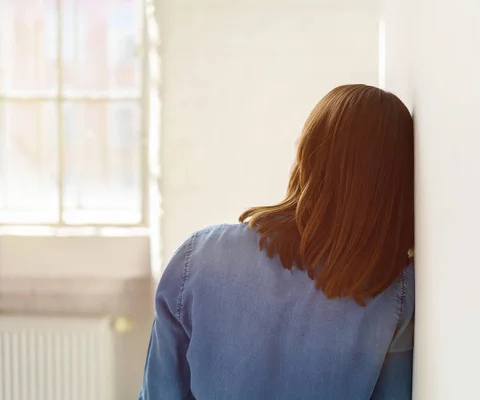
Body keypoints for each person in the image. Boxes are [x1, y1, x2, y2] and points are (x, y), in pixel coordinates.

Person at [139, 84, 415, 400]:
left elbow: (159, 393)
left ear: (305, 156)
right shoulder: (395, 292)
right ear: (396, 189)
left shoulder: (200, 256)